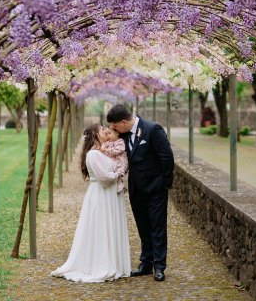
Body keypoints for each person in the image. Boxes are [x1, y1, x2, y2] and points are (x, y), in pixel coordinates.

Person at [51, 123, 132, 282]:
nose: (106, 131)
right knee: (101, 228)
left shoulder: (105, 152)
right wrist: (118, 173)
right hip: (101, 195)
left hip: (111, 195)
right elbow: (104, 178)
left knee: (111, 226)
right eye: (102, 129)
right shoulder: (93, 155)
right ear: (95, 134)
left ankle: (114, 263)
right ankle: (101, 263)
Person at [107, 103, 174, 282]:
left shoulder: (153, 129)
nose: (114, 129)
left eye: (115, 126)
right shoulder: (123, 134)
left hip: (156, 188)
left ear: (123, 122)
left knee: (157, 227)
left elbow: (166, 157)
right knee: (143, 227)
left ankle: (159, 266)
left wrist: (165, 184)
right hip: (136, 189)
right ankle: (146, 263)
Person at [99, 127, 128, 195]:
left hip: (120, 162)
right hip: (113, 162)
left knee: (118, 173)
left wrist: (106, 150)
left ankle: (120, 185)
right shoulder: (107, 143)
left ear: (117, 133)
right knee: (112, 173)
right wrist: (103, 146)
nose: (108, 135)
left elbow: (117, 151)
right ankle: (116, 185)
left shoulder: (120, 141)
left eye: (109, 133)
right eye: (106, 134)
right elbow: (102, 149)